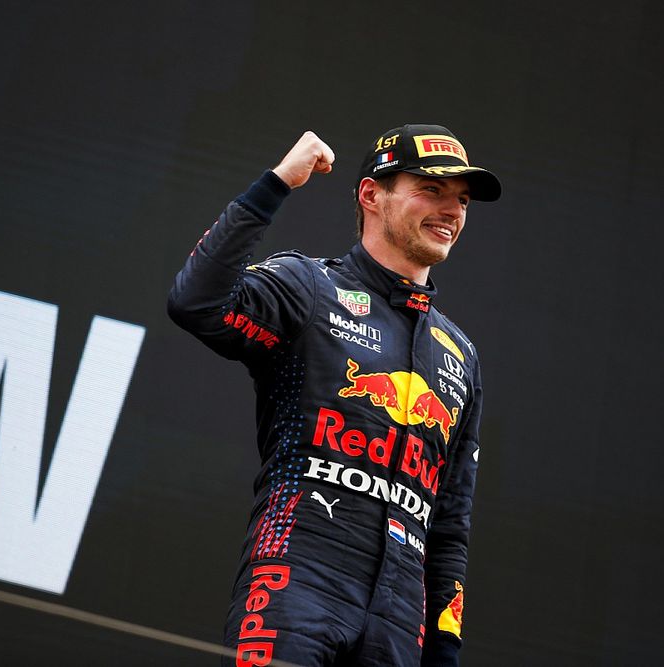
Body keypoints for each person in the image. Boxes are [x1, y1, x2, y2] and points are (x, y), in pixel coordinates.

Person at [168, 124, 501, 666]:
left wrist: (443, 653)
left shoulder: (460, 354)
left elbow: (450, 525)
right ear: (372, 194)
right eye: (431, 191)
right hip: (296, 581)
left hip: (400, 623)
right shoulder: (310, 287)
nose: (452, 211)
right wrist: (275, 184)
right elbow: (197, 303)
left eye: (461, 200)